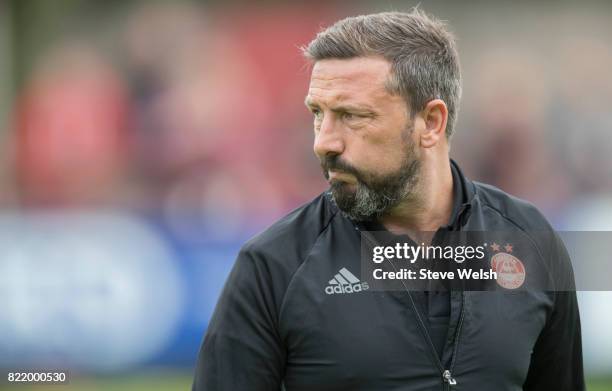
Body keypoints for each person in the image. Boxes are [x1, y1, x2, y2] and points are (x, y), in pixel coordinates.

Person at [192, 10, 584, 390]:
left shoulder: (531, 242)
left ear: (431, 122)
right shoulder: (274, 264)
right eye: (317, 113)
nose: (323, 142)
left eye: (352, 116)